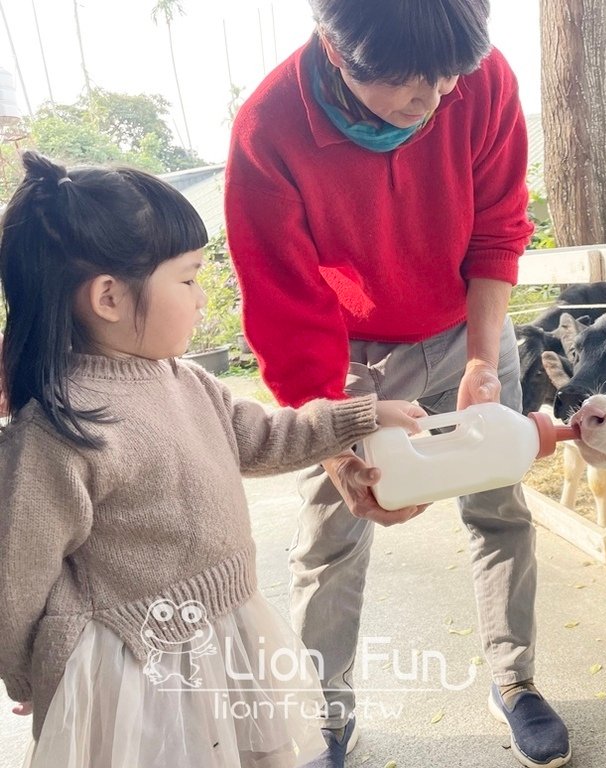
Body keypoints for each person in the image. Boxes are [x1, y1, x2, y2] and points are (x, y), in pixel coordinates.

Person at [224, 1, 572, 767]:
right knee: (331, 534)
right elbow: (284, 305)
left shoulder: (477, 79)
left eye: (449, 75)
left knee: (499, 504)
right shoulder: (269, 129)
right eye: (411, 83)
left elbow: (498, 228)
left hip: (467, 325)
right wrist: (331, 443)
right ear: (337, 49)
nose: (436, 97)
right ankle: (323, 713)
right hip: (350, 354)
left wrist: (484, 359)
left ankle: (515, 681)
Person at [0, 151, 425, 768]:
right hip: (133, 670)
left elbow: (262, 437)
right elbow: (16, 579)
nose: (204, 298)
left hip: (225, 636)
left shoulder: (184, 382)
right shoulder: (60, 431)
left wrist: (360, 415)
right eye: (189, 278)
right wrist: (35, 676)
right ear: (110, 298)